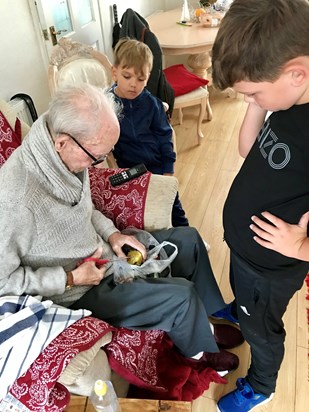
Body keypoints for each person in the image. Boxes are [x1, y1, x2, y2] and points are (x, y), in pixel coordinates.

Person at [0, 83, 244, 376]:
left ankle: (205, 320)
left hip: (102, 255)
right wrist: (69, 278)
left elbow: (84, 209)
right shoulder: (16, 201)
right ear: (63, 143)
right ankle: (198, 352)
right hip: (80, 289)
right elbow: (3, 283)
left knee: (189, 240)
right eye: (97, 157)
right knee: (181, 295)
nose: (99, 164)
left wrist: (113, 235)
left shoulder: (61, 145)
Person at [210, 0, 309, 410]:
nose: (253, 99)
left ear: (297, 73)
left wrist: (300, 248)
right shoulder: (287, 101)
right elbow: (249, 148)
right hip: (248, 253)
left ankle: (262, 386)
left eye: (253, 91)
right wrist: (256, 104)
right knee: (245, 295)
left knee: (262, 332)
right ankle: (243, 305)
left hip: (271, 267)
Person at [109, 38, 189, 228]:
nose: (133, 85)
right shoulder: (107, 104)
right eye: (127, 76)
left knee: (171, 202)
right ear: (114, 73)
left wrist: (168, 168)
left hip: (156, 164)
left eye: (141, 79)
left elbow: (164, 136)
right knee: (134, 209)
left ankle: (187, 234)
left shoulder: (152, 104)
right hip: (127, 169)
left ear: (148, 77)